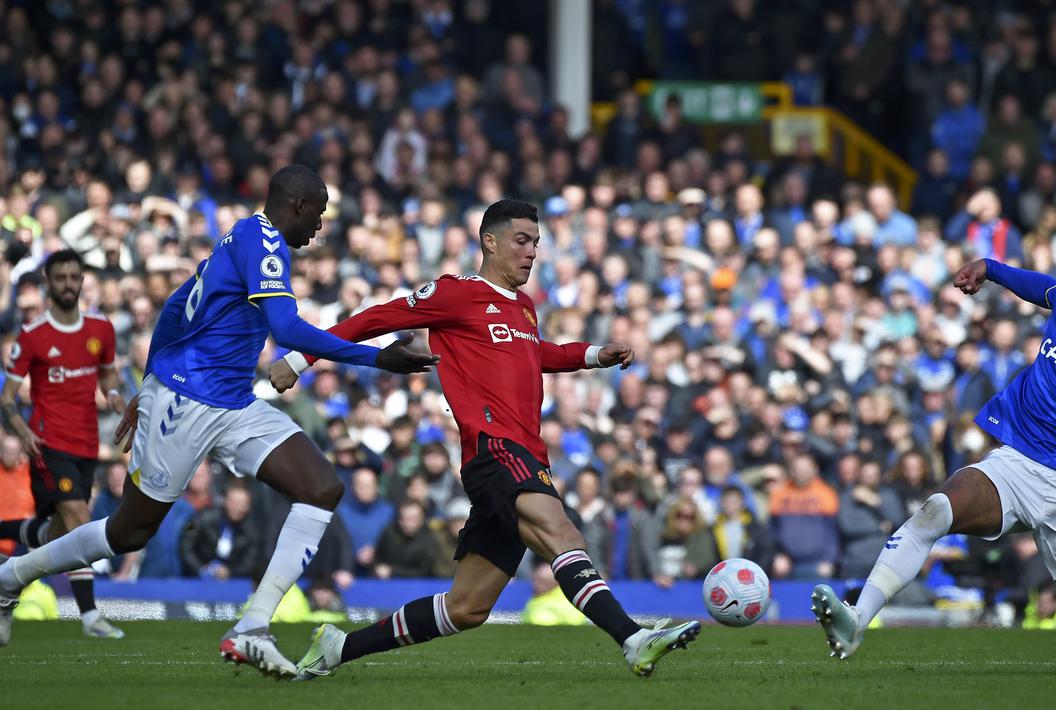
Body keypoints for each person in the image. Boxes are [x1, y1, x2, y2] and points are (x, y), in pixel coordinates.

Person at [0, 165, 438, 673]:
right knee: (127, 533)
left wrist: (149, 378)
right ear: (296, 206)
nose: (319, 228)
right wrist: (375, 357)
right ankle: (12, 577)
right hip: (186, 403)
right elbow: (286, 328)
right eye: (317, 216)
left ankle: (251, 627)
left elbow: (174, 306)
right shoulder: (265, 243)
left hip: (230, 401)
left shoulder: (244, 236)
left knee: (321, 487)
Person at [272, 199, 700, 679]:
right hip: (495, 449)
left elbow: (539, 354)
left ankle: (336, 649)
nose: (532, 252)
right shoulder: (457, 294)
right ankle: (633, 638)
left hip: (525, 453)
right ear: (489, 241)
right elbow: (378, 317)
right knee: (562, 532)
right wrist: (298, 359)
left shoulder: (524, 307)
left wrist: (596, 353)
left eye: (536, 243)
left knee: (466, 608)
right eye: (522, 240)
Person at [814, 246, 1056, 660]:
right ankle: (855, 621)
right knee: (935, 511)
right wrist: (990, 268)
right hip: (1015, 463)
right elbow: (1042, 288)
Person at [0, 249, 126, 639]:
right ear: (49, 285)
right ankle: (89, 615)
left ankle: (5, 584)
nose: (69, 284)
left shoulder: (101, 329)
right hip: (48, 442)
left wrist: (118, 398)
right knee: (78, 519)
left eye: (75, 277)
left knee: (59, 536)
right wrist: (23, 430)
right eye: (61, 278)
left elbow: (107, 378)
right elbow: (9, 396)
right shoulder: (33, 335)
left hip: (87, 442)